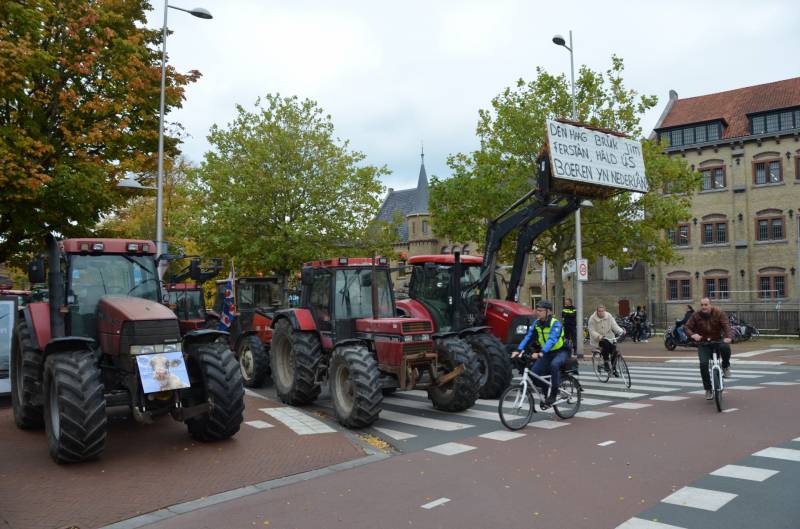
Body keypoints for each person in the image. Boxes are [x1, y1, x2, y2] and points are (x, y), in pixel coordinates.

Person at [511, 300, 569, 406]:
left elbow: (552, 339)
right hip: (547, 353)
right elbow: (528, 337)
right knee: (534, 373)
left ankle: (553, 395)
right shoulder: (536, 323)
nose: (537, 312)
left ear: (549, 312)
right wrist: (518, 350)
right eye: (537, 310)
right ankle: (546, 394)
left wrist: (541, 352)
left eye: (540, 310)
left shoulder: (555, 324)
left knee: (554, 365)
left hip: (561, 351)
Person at [683, 297, 733, 400]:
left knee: (726, 347)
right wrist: (693, 335)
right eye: (702, 305)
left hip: (717, 341)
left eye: (706, 305)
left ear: (710, 304)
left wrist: (728, 337)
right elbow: (686, 327)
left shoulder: (719, 313)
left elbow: (726, 325)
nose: (703, 307)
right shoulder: (696, 315)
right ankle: (708, 389)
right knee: (703, 364)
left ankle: (725, 366)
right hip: (703, 343)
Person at [588, 305, 625, 375]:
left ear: (604, 311)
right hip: (598, 339)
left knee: (615, 351)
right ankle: (606, 362)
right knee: (605, 344)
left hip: (609, 337)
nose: (601, 313)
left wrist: (621, 331)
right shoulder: (592, 319)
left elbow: (614, 326)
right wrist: (598, 336)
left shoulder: (609, 316)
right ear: (597, 311)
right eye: (599, 311)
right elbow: (591, 330)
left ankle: (614, 369)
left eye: (602, 311)